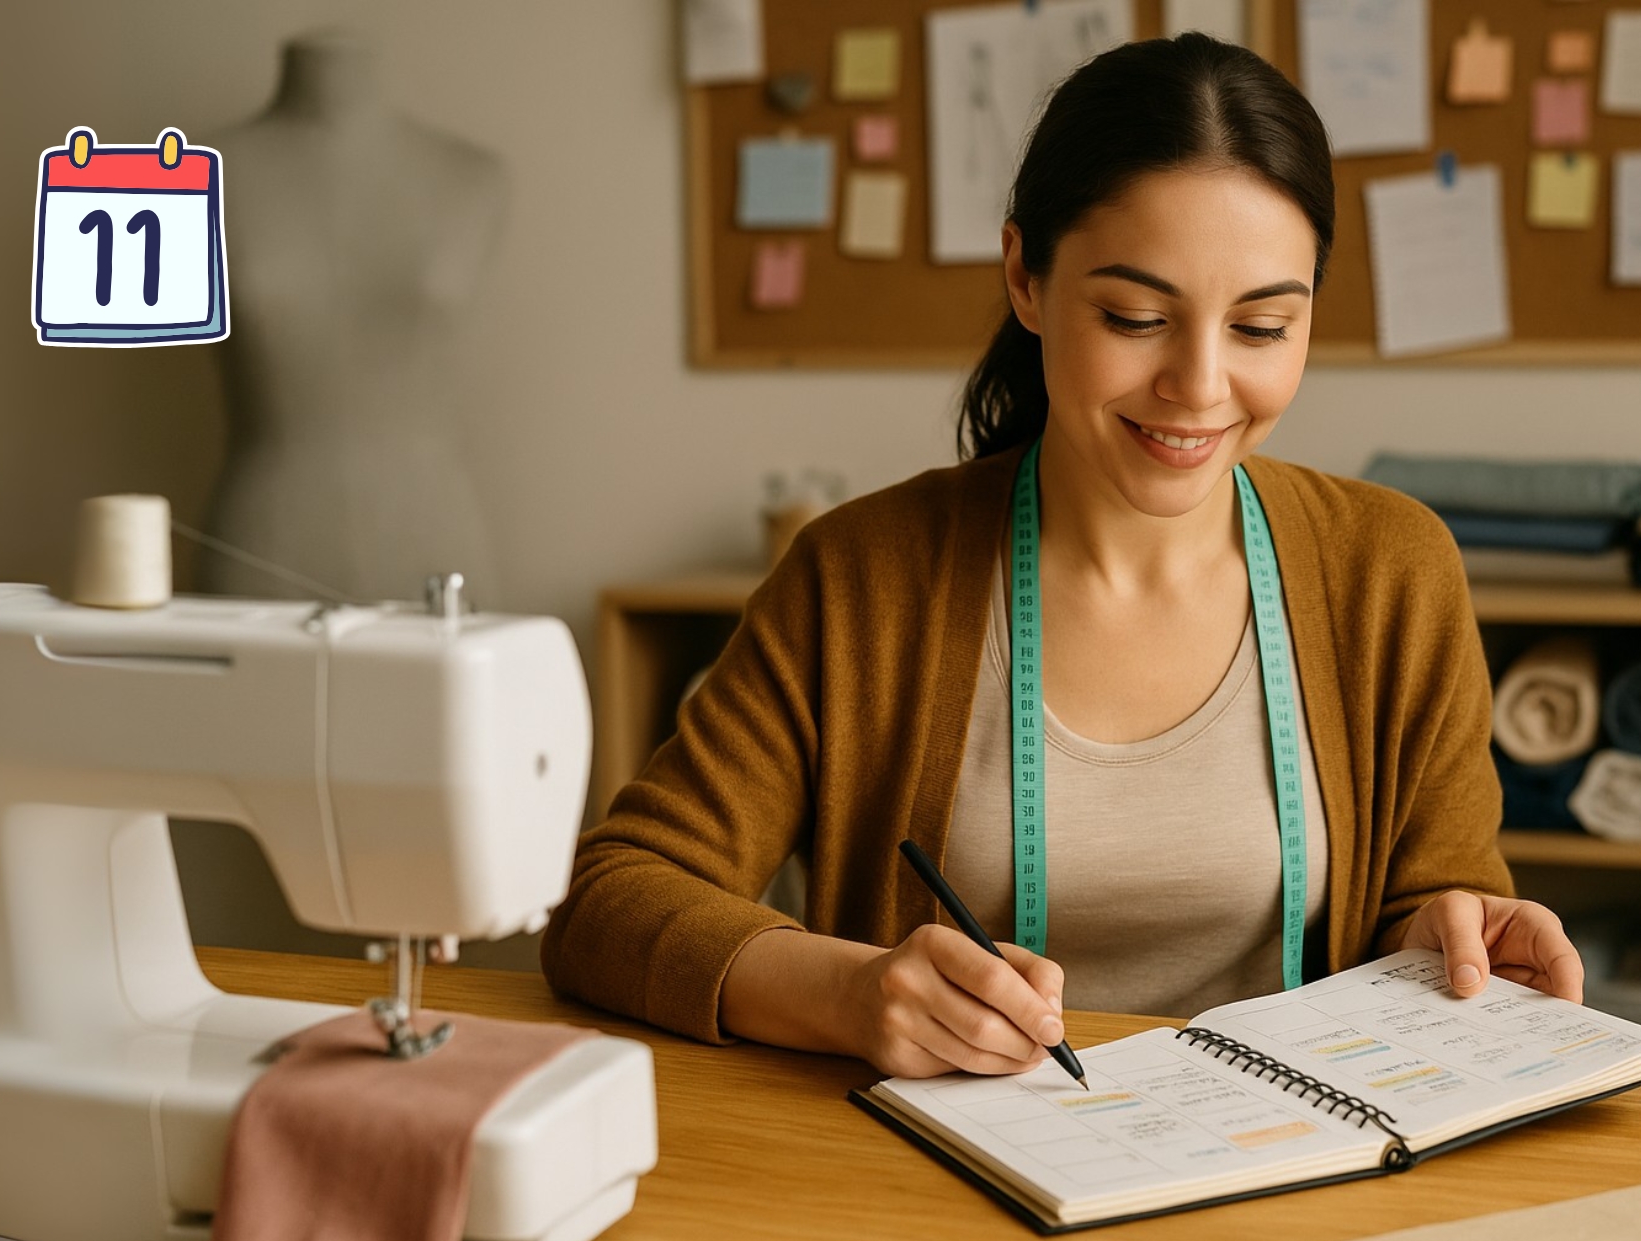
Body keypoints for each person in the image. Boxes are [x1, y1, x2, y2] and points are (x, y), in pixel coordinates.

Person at [542, 33, 1582, 1079]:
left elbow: (1429, 900)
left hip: (1287, 1182)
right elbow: (612, 901)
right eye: (1135, 317)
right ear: (1024, 280)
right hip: (942, 1195)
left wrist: (1443, 943)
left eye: (1262, 326)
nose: (1198, 383)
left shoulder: (1389, 573)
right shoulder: (862, 581)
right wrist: (848, 994)